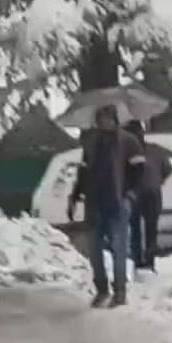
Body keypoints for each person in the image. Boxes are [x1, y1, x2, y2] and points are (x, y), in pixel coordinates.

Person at [68, 106, 146, 308]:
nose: (104, 122)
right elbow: (83, 174)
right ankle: (101, 290)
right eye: (100, 119)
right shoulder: (91, 143)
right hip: (94, 204)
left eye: (107, 119)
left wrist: (130, 196)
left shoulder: (128, 141)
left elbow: (139, 173)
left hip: (117, 203)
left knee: (119, 249)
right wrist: (74, 197)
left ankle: (120, 292)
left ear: (115, 120)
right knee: (94, 252)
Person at [124, 120, 171, 273]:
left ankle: (139, 262)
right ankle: (149, 263)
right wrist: (159, 180)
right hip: (151, 193)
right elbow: (167, 168)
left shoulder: (126, 153)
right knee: (151, 229)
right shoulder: (154, 149)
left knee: (136, 230)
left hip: (136, 194)